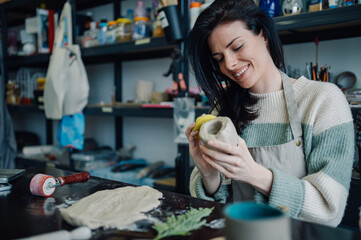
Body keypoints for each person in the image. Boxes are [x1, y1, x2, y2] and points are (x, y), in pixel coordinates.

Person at [185, 0, 354, 227]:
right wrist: (208, 174)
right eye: (219, 59)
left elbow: (329, 208)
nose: (231, 64)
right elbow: (209, 209)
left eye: (237, 47)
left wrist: (252, 173)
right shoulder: (222, 111)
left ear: (262, 35)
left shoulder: (322, 101)